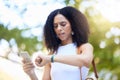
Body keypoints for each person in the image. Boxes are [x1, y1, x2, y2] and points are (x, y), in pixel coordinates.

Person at [22, 6, 93, 80]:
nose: (59, 28)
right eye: (55, 26)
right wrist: (31, 73)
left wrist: (51, 58)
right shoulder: (52, 54)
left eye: (63, 24)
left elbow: (86, 60)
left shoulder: (84, 47)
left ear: (73, 25)